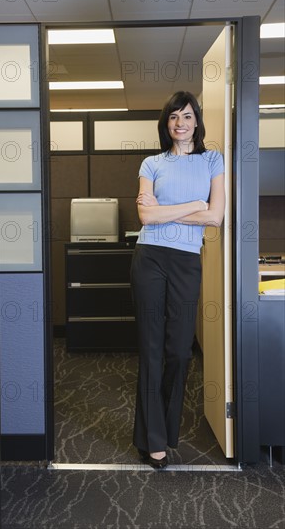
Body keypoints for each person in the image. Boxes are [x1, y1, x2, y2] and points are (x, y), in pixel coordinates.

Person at [130, 90, 225, 469]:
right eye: (173, 117)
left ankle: (164, 431)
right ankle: (153, 440)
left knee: (180, 350)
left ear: (197, 122)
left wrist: (168, 211)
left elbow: (215, 218)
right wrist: (194, 206)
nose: (180, 123)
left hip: (187, 260)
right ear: (165, 123)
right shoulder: (151, 163)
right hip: (149, 257)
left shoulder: (212, 160)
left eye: (187, 116)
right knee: (151, 349)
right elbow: (146, 219)